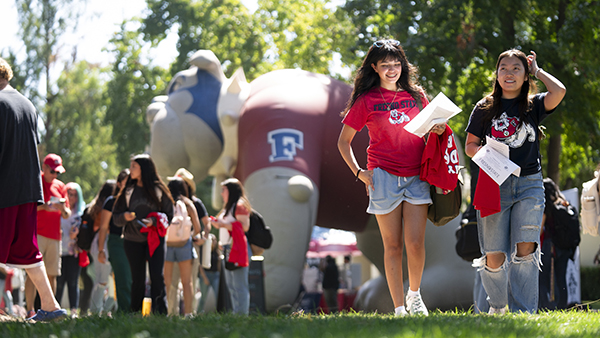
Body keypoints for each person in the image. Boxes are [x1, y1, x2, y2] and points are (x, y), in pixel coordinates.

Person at [337, 39, 446, 316]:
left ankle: (414, 296)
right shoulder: (366, 100)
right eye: (385, 65)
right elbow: (343, 142)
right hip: (383, 176)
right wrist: (359, 173)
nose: (392, 69)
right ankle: (398, 308)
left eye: (396, 64)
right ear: (374, 67)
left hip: (416, 175)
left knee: (416, 243)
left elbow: (431, 130)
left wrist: (438, 128)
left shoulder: (417, 95)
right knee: (393, 245)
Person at [465, 49, 566, 314]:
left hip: (529, 185)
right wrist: (491, 158)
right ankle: (497, 307)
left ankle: (524, 313)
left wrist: (538, 71)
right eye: (504, 68)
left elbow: (560, 91)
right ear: (497, 75)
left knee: (526, 250)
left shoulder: (533, 105)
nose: (509, 73)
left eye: (516, 69)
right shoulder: (484, 107)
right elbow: (470, 146)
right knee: (494, 256)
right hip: (494, 185)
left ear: (525, 76)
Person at [0, 57, 66, 321]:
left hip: (4, 190)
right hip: (28, 191)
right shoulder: (27, 104)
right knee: (29, 252)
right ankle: (50, 306)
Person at [112, 154, 174, 314]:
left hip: (155, 240)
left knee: (157, 277)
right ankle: (134, 313)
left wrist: (154, 222)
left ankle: (160, 313)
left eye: (134, 166)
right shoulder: (128, 190)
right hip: (132, 240)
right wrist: (124, 217)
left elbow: (169, 214)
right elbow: (116, 218)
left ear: (143, 169)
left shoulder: (159, 190)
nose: (130, 169)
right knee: (137, 280)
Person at [166, 168, 210, 314]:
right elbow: (198, 228)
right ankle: (189, 314)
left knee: (170, 283)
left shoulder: (164, 203)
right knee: (187, 282)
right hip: (185, 245)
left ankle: (171, 313)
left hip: (167, 246)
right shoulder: (190, 203)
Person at [210, 178, 251, 314]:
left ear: (231, 191)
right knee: (231, 285)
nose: (221, 193)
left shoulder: (239, 206)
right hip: (227, 249)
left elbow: (244, 226)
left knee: (239, 285)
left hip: (237, 249)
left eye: (223, 190)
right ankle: (236, 313)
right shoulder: (229, 207)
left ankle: (242, 315)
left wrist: (221, 224)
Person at [97, 169, 132, 313]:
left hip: (133, 242)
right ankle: (125, 312)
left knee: (132, 278)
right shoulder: (111, 202)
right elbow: (103, 227)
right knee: (122, 278)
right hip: (117, 243)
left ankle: (130, 311)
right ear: (119, 184)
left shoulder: (136, 201)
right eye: (127, 182)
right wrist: (101, 250)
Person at [539, 178, 574, 310]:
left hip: (549, 245)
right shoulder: (563, 203)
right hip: (565, 247)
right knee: (561, 278)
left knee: (544, 277)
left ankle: (545, 306)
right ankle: (562, 307)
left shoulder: (547, 206)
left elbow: (541, 228)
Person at [87, 181, 118, 315]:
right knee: (103, 280)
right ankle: (97, 311)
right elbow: (102, 228)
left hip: (95, 244)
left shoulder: (95, 206)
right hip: (103, 243)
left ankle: (103, 309)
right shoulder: (106, 208)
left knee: (102, 280)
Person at [55, 182, 85, 317]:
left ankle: (73, 310)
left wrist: (78, 234)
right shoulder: (58, 210)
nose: (71, 197)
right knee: (59, 282)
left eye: (74, 195)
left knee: (73, 281)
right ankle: (57, 309)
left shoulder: (82, 212)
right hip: (59, 251)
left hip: (74, 252)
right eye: (69, 194)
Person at [198, 233, 220, 313]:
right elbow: (200, 266)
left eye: (214, 240)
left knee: (218, 296)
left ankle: (219, 313)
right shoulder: (203, 251)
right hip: (205, 275)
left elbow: (219, 266)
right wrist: (204, 277)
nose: (213, 242)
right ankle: (199, 313)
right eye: (211, 240)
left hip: (215, 275)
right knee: (203, 297)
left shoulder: (217, 252)